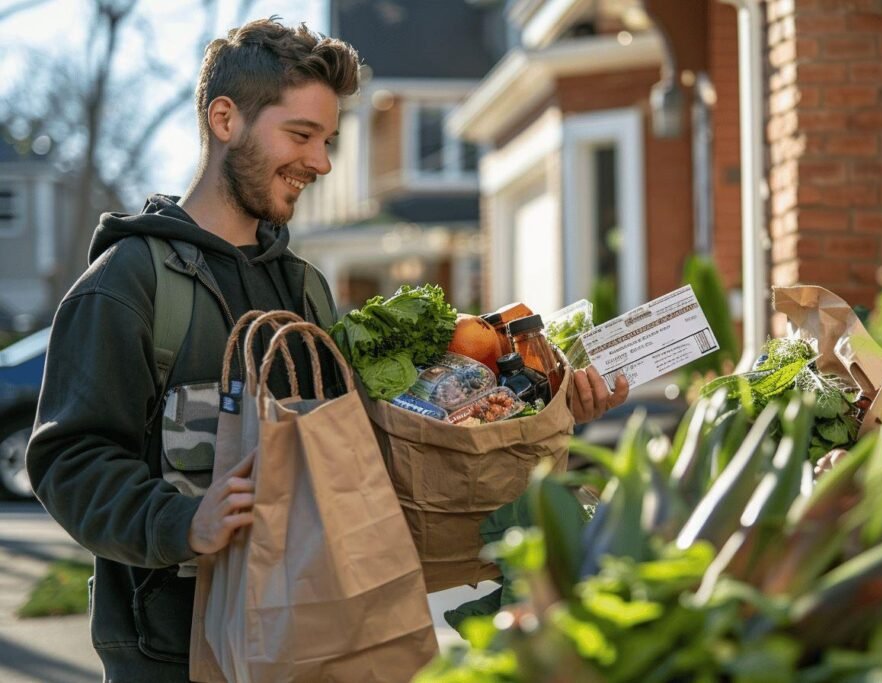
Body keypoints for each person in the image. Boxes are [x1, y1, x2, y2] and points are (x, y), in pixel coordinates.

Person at [26, 16, 627, 682]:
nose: (322, 162)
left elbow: (377, 445)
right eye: (302, 135)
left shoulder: (303, 288)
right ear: (225, 120)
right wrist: (183, 520)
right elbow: (68, 459)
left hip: (316, 631)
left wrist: (542, 414)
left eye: (329, 139)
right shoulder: (128, 285)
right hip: (171, 652)